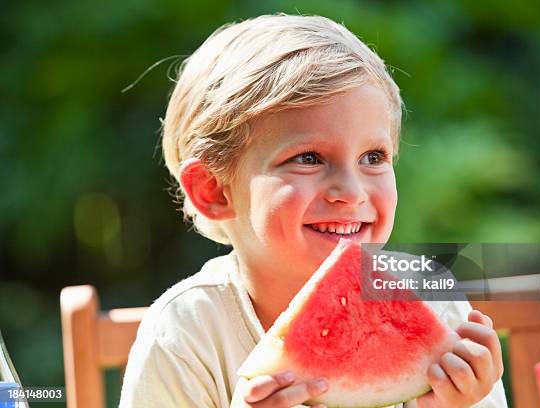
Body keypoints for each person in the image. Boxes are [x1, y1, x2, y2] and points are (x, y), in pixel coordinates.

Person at [119, 13, 508, 408]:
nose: (352, 192)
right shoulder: (184, 333)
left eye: (373, 156)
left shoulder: (433, 298)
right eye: (309, 158)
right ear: (213, 190)